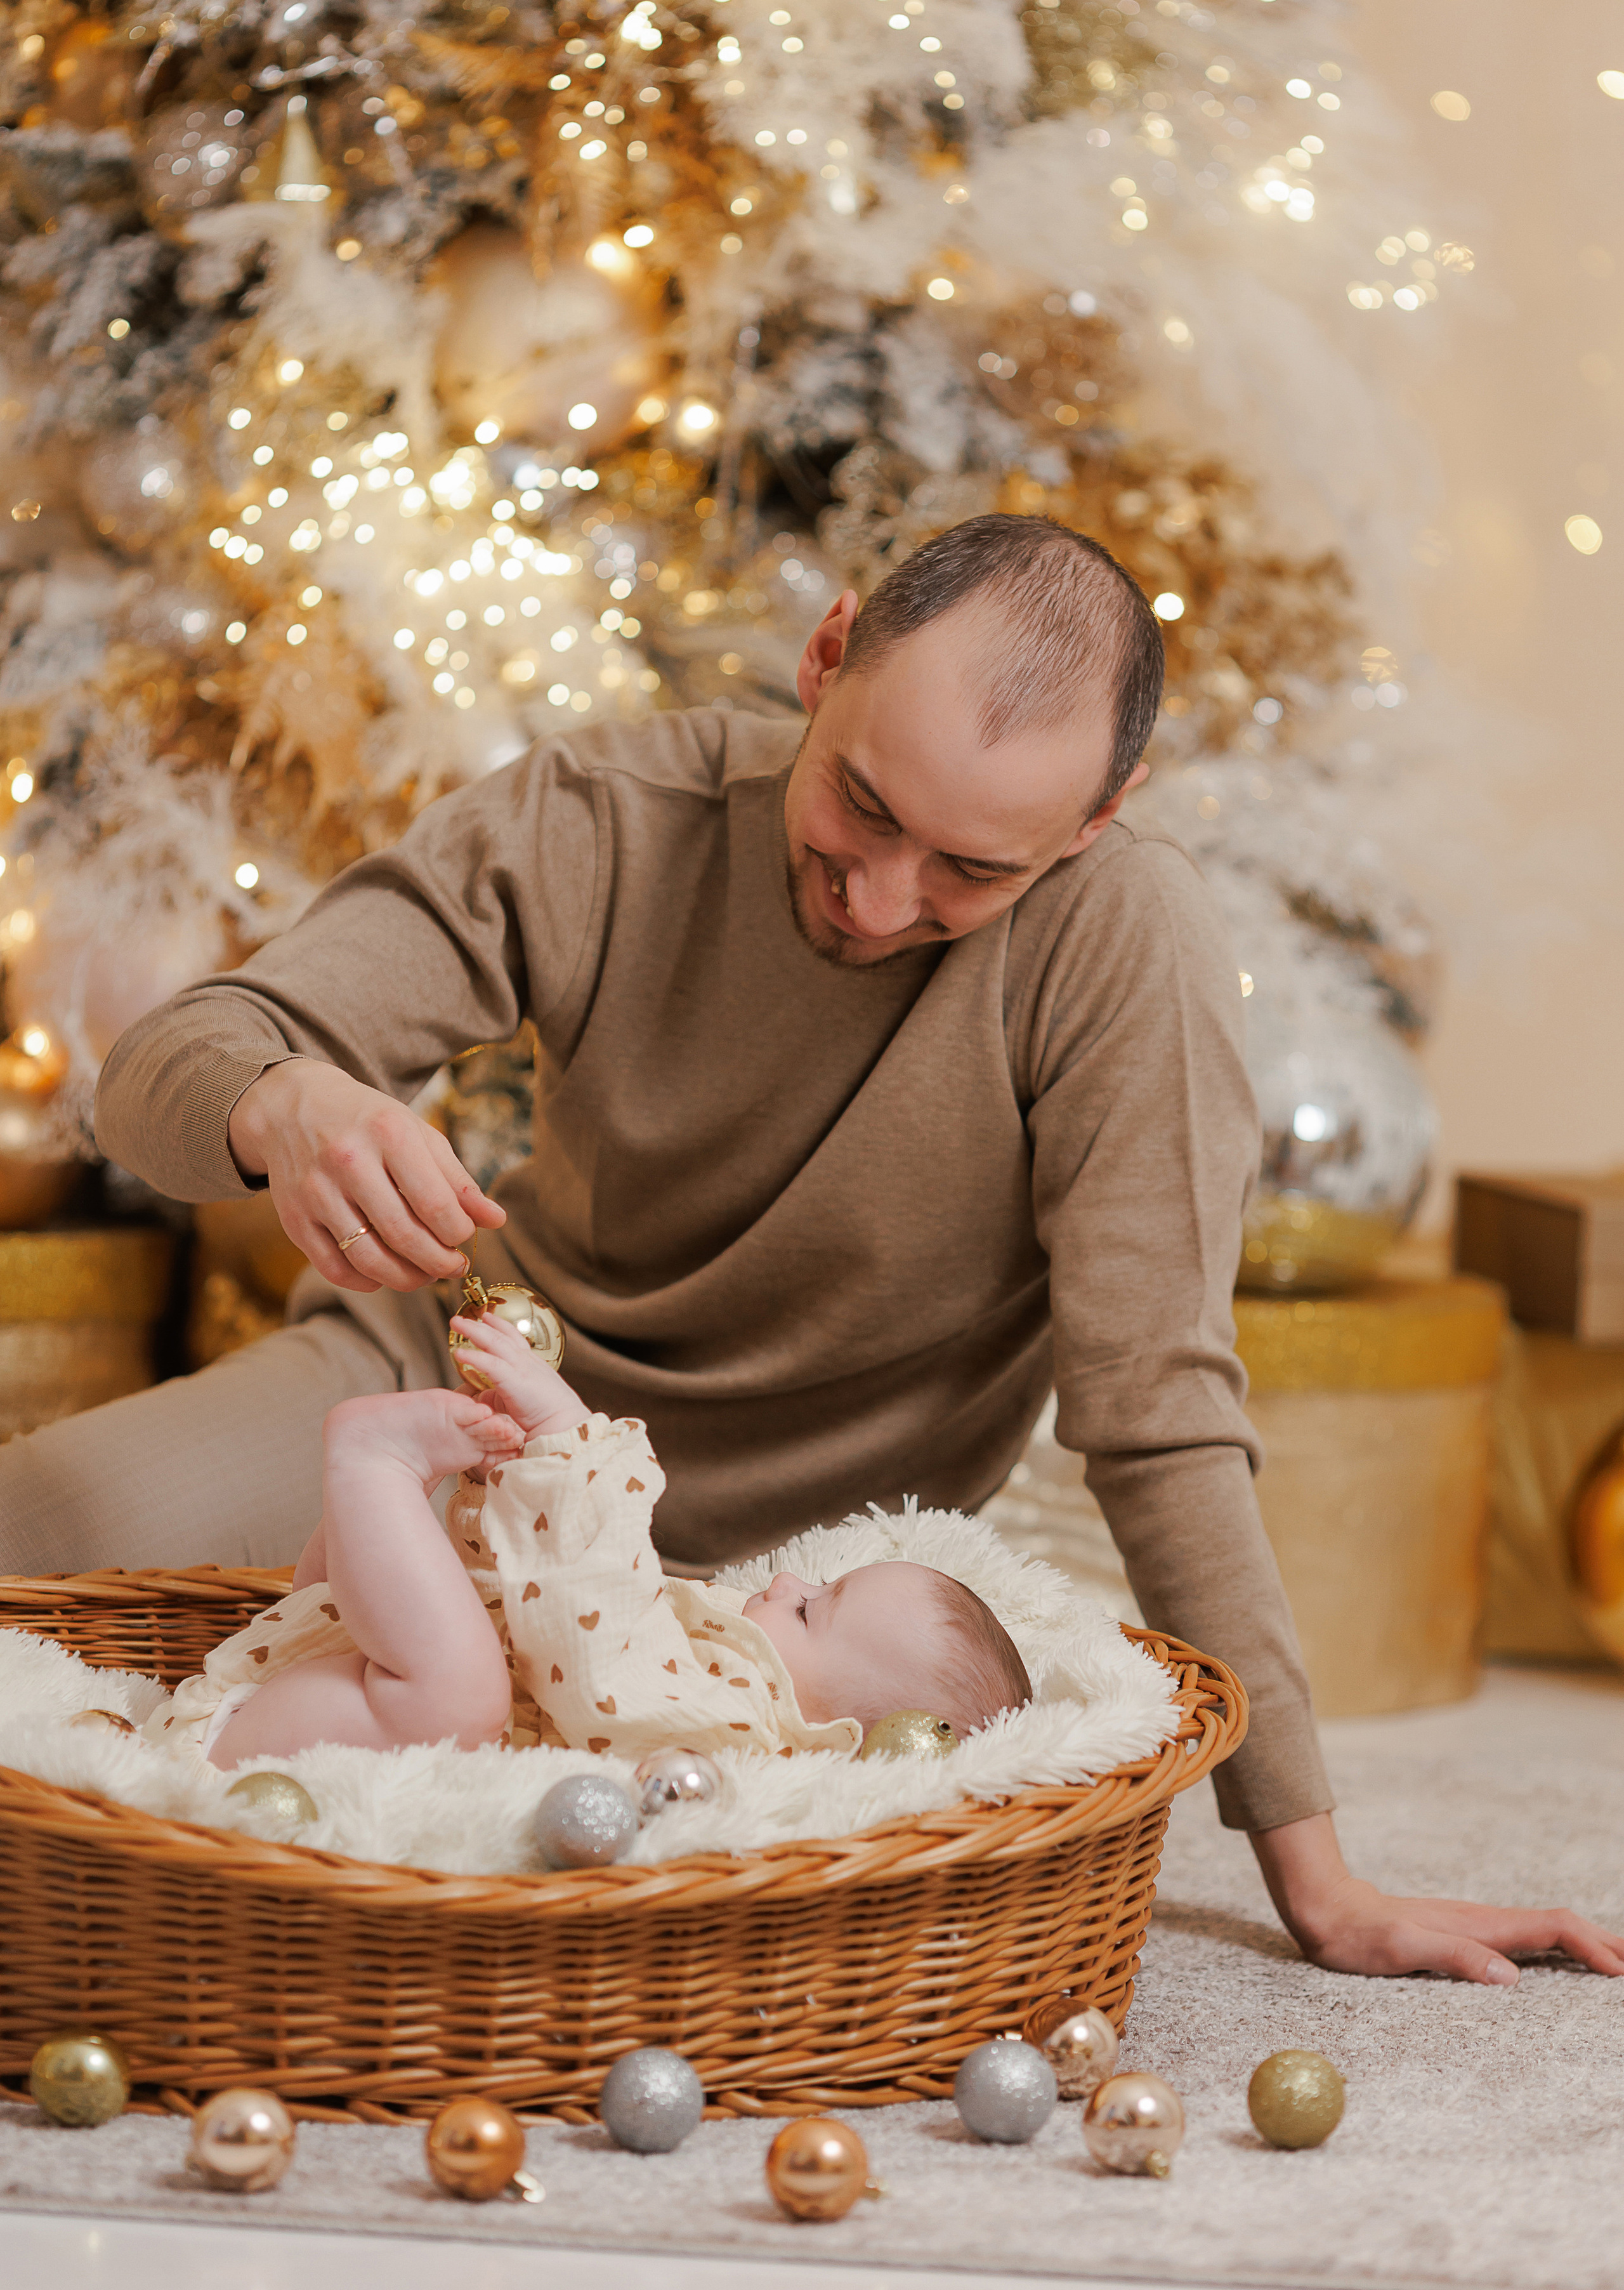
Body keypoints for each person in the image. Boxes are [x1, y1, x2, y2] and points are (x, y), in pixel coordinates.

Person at [3, 513, 1618, 1988]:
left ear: (1094, 819)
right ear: (826, 655)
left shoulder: (1124, 943)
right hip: (475, 1420)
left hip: (789, 1602)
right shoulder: (606, 814)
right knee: (36, 1528)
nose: (877, 898)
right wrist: (285, 1101)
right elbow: (174, 1061)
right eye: (858, 801)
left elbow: (1159, 1408)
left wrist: (1314, 1872)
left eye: (970, 870)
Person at [151, 1305, 1030, 1771]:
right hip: (315, 1699)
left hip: (275, 1740)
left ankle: (373, 1470)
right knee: (456, 1657)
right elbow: (556, 1611)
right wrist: (511, 1495)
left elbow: (597, 1644)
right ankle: (379, 1486)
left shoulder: (742, 1733)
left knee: (460, 1697)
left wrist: (574, 1450)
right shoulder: (728, 1657)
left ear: (840, 1733)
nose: (794, 1583)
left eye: (814, 1613)